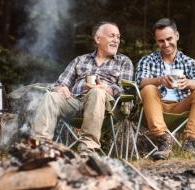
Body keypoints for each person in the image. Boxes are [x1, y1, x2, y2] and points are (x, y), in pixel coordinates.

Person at [31, 21, 134, 156]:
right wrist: (60, 88)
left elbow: (126, 91)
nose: (116, 40)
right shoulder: (80, 60)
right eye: (112, 36)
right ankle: (40, 146)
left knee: (97, 92)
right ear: (98, 39)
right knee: (51, 96)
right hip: (76, 102)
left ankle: (87, 148)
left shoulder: (123, 61)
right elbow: (59, 83)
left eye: (118, 37)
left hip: (108, 107)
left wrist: (106, 88)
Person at [135, 18, 195, 160]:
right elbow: (140, 81)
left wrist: (188, 83)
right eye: (161, 41)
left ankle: (190, 142)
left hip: (180, 107)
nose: (166, 44)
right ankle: (163, 142)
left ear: (177, 36)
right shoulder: (148, 60)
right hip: (155, 106)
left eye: (169, 39)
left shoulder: (189, 62)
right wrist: (160, 80)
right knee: (148, 88)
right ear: (156, 41)